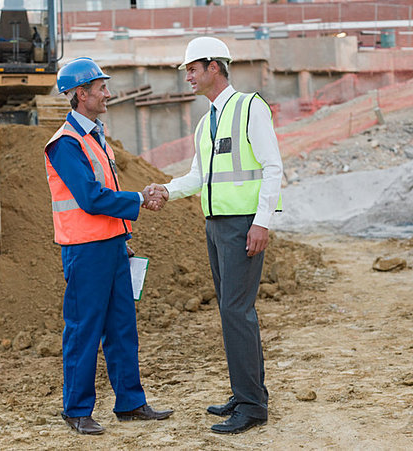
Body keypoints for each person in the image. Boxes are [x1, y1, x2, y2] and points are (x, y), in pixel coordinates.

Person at [146, 37, 283, 434]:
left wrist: (262, 222)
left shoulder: (249, 108)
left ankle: (252, 406)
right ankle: (248, 393)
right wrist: (166, 191)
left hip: (243, 225)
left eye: (192, 68)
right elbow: (198, 177)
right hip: (216, 225)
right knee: (233, 311)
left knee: (236, 312)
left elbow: (272, 166)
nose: (187, 75)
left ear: (213, 67)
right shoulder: (207, 122)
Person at [44, 57, 173, 435]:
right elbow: (89, 197)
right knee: (84, 330)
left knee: (121, 328)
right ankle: (76, 410)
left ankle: (130, 403)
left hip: (112, 246)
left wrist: (124, 238)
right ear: (81, 94)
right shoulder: (65, 144)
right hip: (85, 251)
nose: (108, 93)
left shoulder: (94, 137)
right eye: (101, 88)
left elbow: (105, 194)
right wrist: (139, 201)